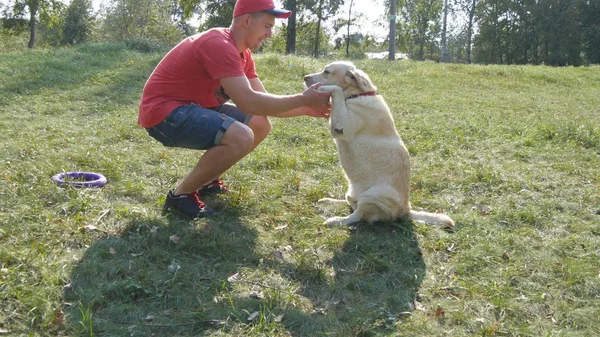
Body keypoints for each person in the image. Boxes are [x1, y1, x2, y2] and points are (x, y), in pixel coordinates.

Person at [138, 0, 332, 219]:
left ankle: (207, 181)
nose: (269, 34)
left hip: (191, 108)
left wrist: (307, 108)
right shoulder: (218, 43)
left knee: (259, 124)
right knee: (241, 135)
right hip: (163, 115)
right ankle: (180, 196)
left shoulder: (243, 54)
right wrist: (302, 99)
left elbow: (262, 102)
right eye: (267, 26)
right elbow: (249, 102)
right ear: (247, 20)